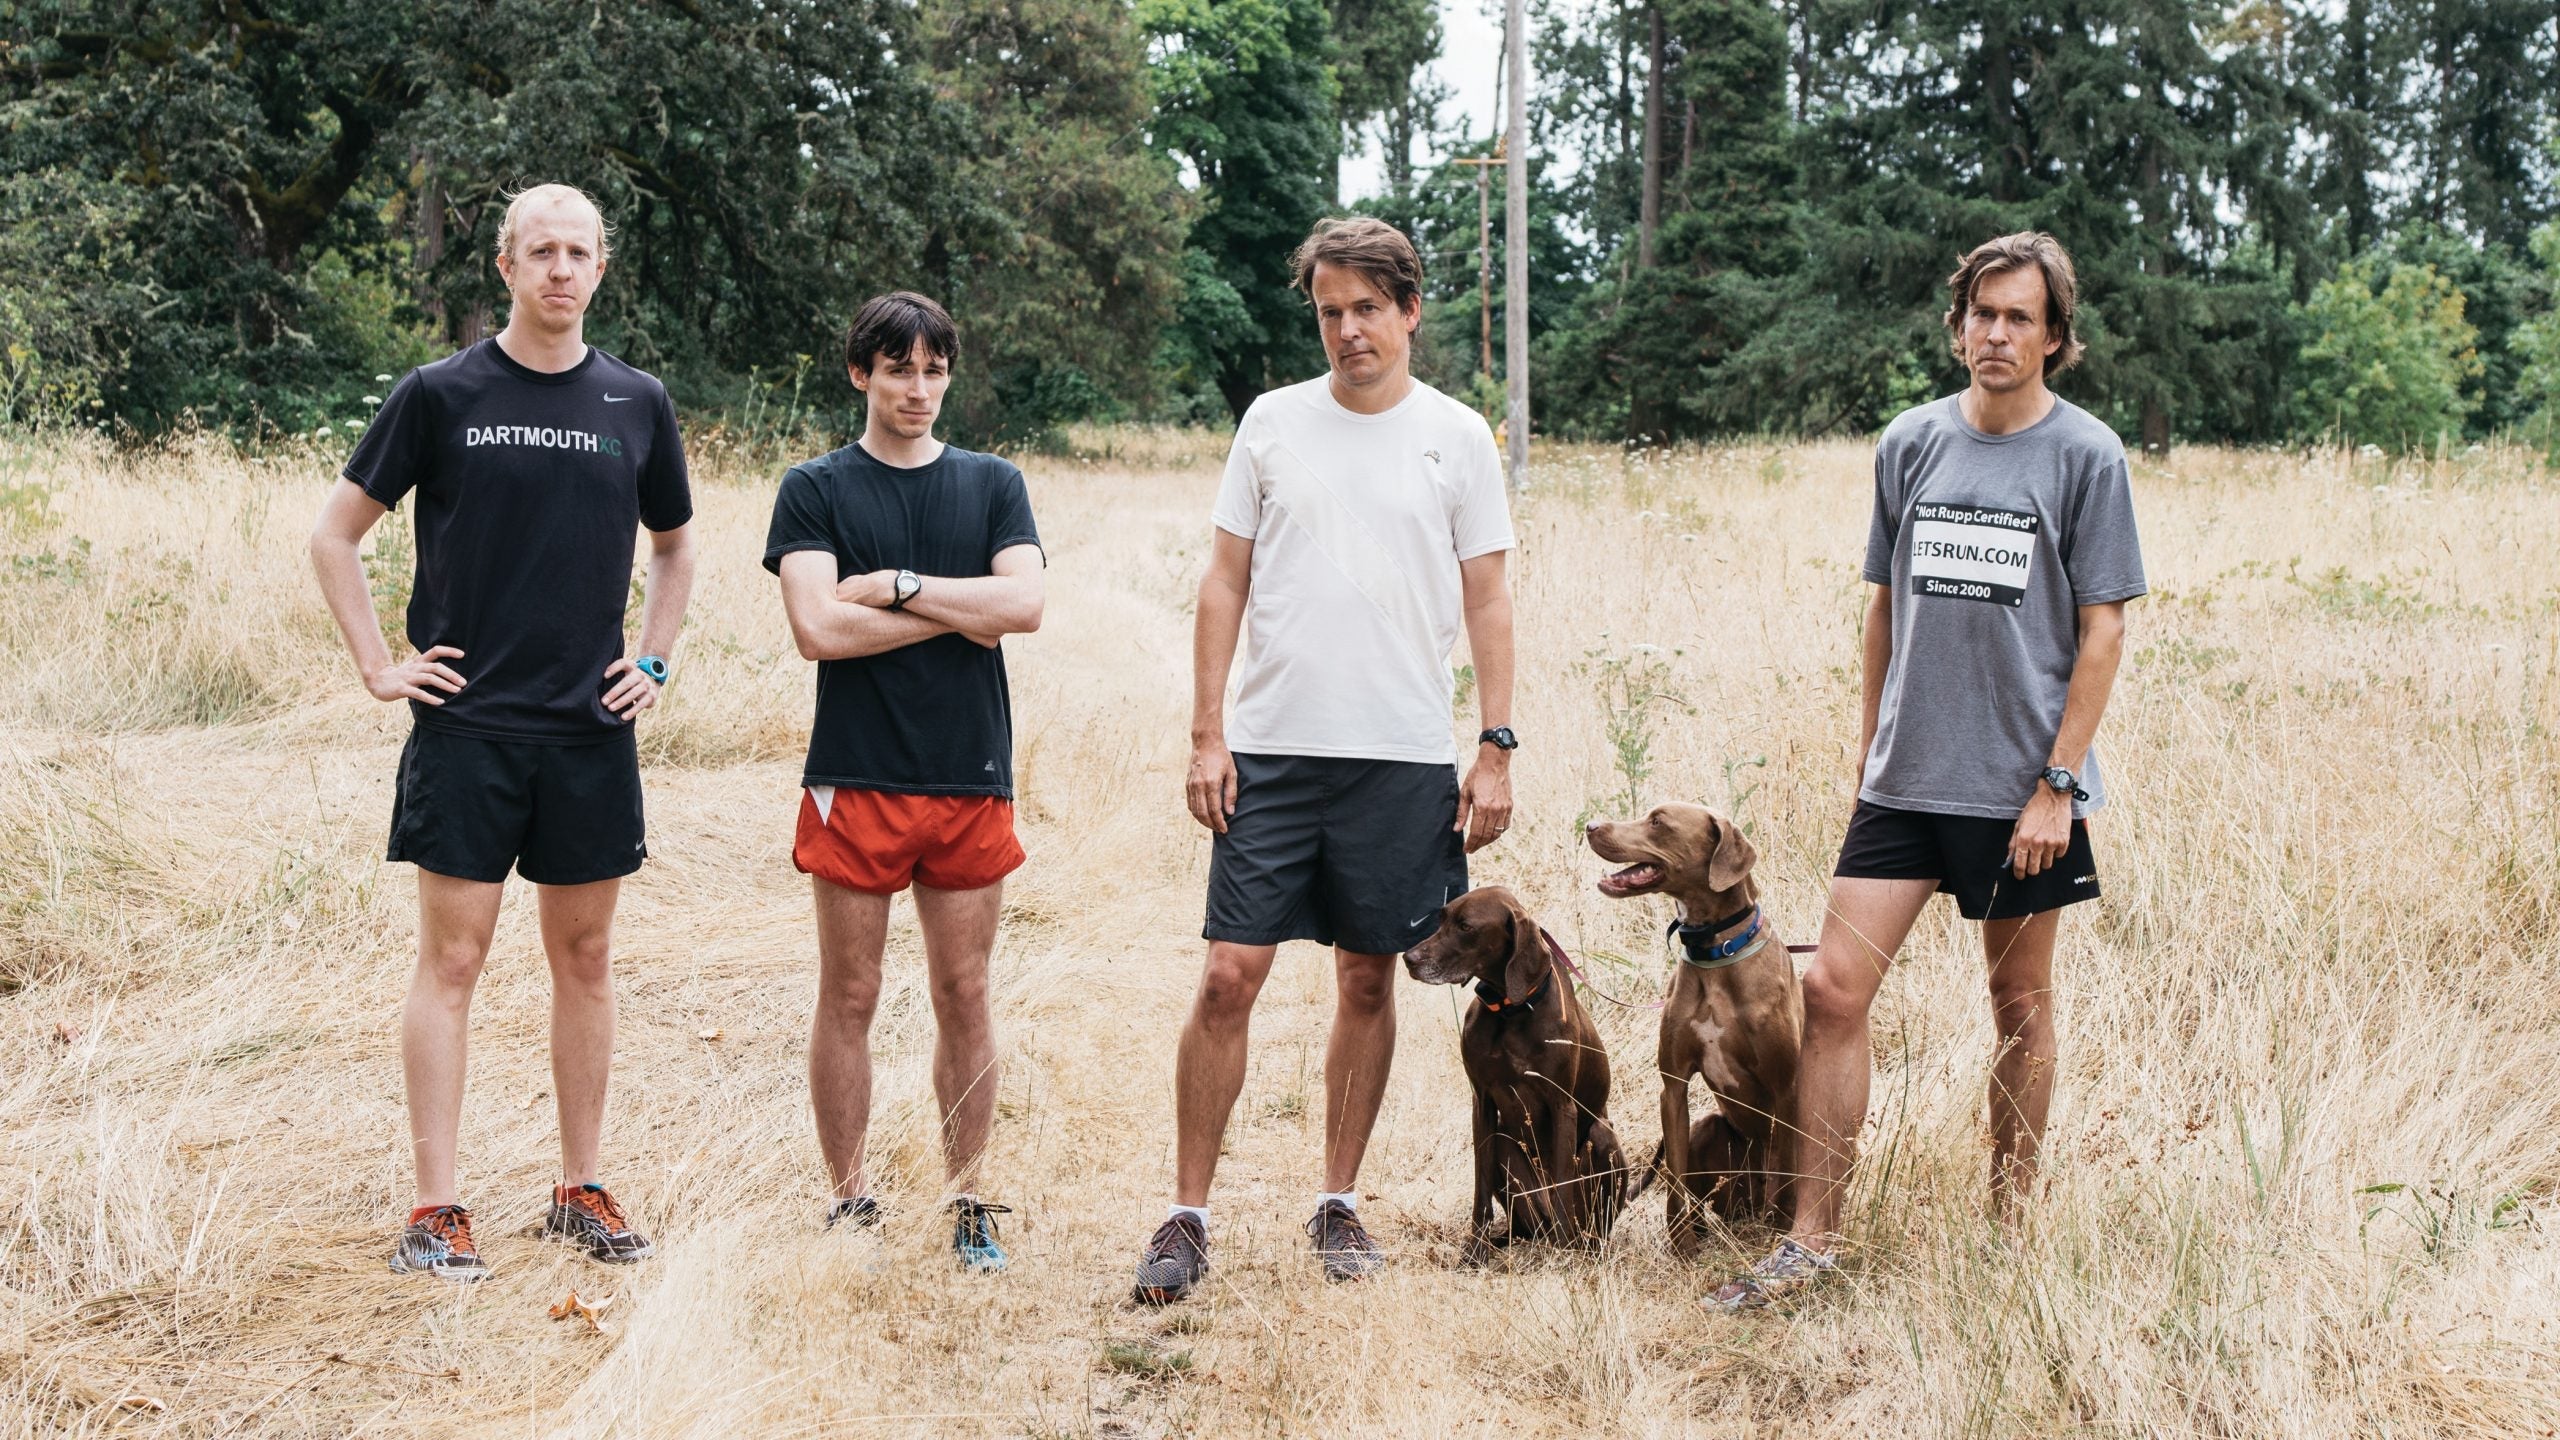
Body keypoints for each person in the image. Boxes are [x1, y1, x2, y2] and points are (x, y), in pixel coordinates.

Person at [1709, 232, 2146, 1310]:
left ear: (2053, 336)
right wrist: (1868, 749)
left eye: (2018, 318)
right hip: (1904, 784)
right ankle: (1812, 1239)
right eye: (1980, 314)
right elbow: (1883, 607)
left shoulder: (2085, 457)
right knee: (1830, 989)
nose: (1995, 334)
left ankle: (2010, 1225)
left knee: (2018, 1004)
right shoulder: (1910, 444)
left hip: (2018, 795)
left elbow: (2102, 632)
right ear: (1958, 324)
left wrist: (2059, 783)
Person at [310, 183, 696, 1282]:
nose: (561, 269)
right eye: (541, 252)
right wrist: (381, 666)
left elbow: (676, 548)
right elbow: (334, 538)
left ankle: (580, 1188)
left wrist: (653, 660)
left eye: (580, 252)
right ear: (506, 267)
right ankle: (438, 1209)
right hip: (466, 726)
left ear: (601, 270)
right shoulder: (442, 392)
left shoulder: (637, 401)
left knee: (585, 958)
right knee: (455, 960)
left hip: (587, 730)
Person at [1130, 217, 1520, 1304]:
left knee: (1366, 977)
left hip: (1398, 756)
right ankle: (1186, 1215)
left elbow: (1487, 596)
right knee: (1226, 975)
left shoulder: (1455, 438)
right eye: (1329, 311)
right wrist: (1207, 732)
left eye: (1366, 309)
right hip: (1270, 752)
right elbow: (1223, 581)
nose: (1348, 330)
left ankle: (1337, 1203)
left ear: (1408, 311)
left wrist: (1493, 745)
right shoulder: (1271, 423)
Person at [764, 291, 1043, 1273]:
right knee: (850, 992)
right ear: (861, 374)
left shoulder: (992, 484)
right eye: (897, 369)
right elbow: (816, 631)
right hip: (857, 775)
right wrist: (966, 613)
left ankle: (969, 1199)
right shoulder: (815, 489)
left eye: (933, 370)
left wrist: (896, 586)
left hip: (970, 774)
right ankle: (849, 1201)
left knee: (964, 992)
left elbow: (1029, 604)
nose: (916, 389)